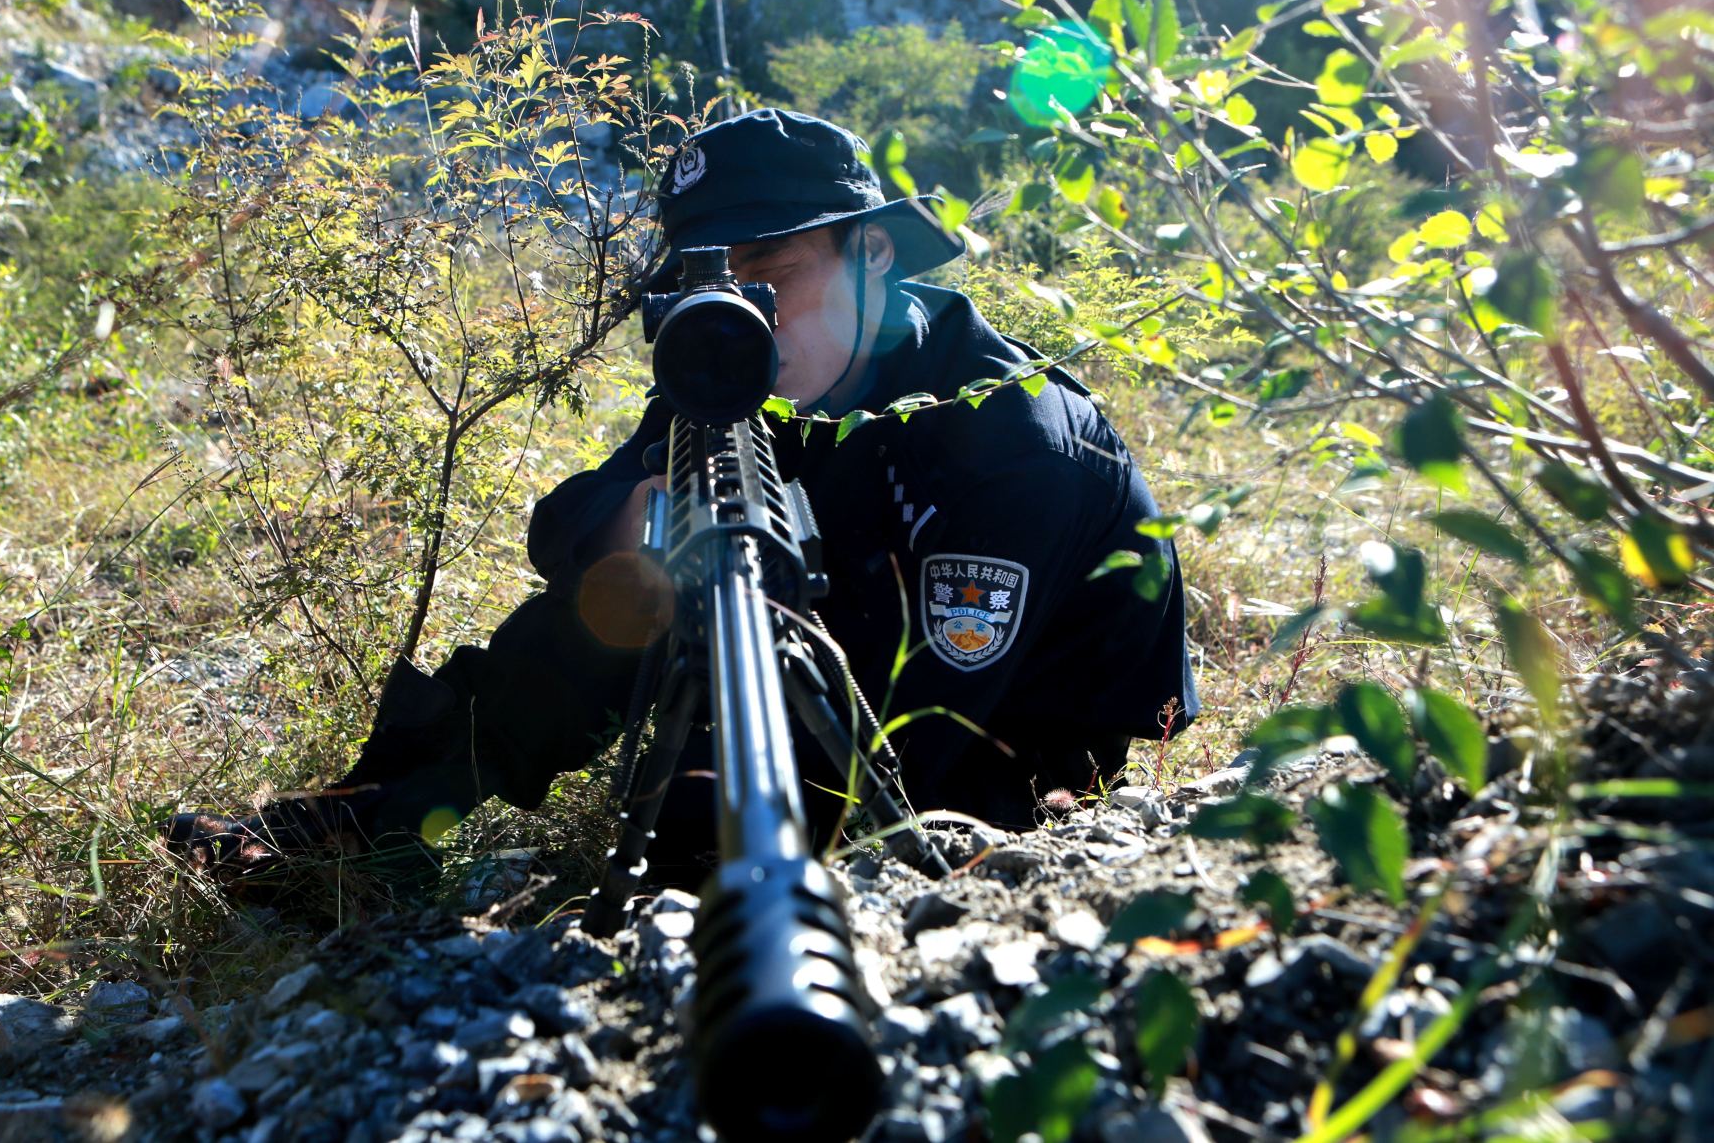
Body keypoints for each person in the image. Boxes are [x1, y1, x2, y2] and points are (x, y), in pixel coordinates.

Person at [166, 109, 1197, 879]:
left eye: (772, 270)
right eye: (712, 280)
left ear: (871, 253)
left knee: (726, 850)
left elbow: (923, 740)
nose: (745, 306)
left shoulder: (1010, 442)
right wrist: (624, 535)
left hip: (1006, 752)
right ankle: (381, 812)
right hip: (834, 663)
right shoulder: (732, 369)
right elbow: (566, 521)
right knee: (621, 591)